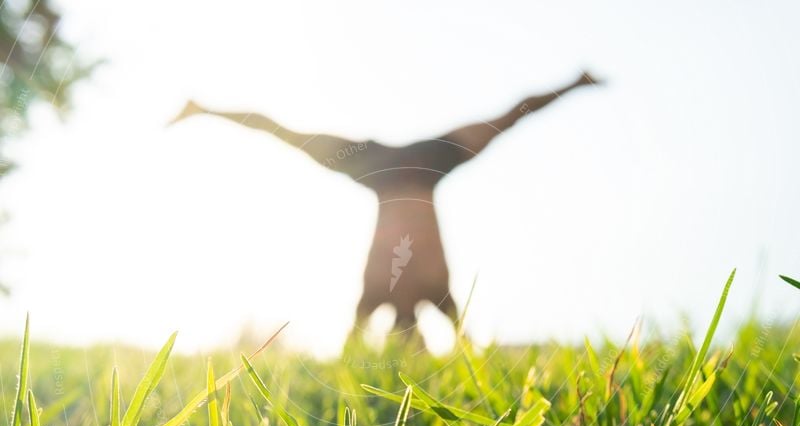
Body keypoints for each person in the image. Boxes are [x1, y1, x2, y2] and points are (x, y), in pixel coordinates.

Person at [169, 71, 601, 343]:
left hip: (387, 166)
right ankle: (203, 108)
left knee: (286, 134)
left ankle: (202, 108)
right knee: (286, 134)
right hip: (412, 165)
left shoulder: (395, 293)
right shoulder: (419, 294)